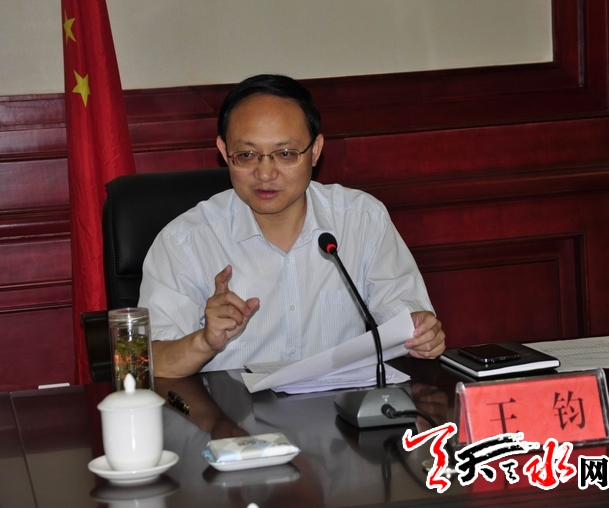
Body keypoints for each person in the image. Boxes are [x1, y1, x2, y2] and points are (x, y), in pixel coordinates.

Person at [138, 74, 445, 378]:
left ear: (315, 150)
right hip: (229, 410)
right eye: (246, 155)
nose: (265, 173)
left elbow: (406, 319)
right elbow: (149, 361)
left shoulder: (361, 219)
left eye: (285, 154)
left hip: (337, 405)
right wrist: (205, 342)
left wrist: (421, 332)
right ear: (224, 151)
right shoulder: (185, 241)